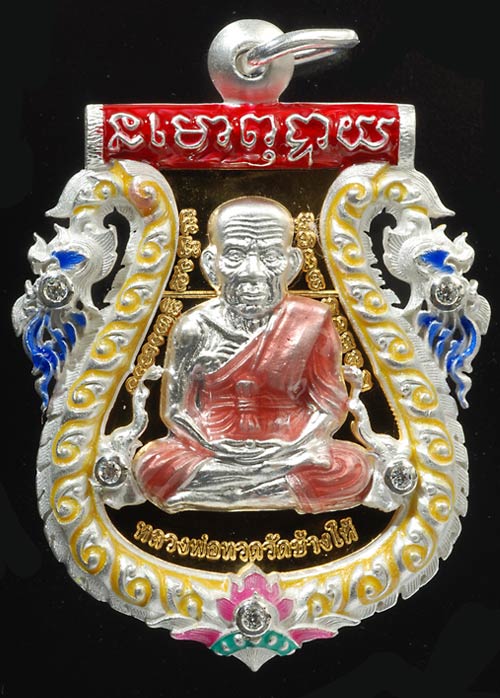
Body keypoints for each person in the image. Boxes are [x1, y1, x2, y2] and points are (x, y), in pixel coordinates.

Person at [133, 196, 373, 513]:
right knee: (153, 464)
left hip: (289, 448)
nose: (253, 272)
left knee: (352, 467)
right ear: (210, 263)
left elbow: (329, 406)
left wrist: (289, 448)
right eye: (234, 255)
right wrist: (212, 445)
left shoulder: (311, 322)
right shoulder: (194, 327)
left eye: (270, 256)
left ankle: (223, 494)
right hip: (213, 448)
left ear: (293, 263)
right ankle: (269, 491)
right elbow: (175, 410)